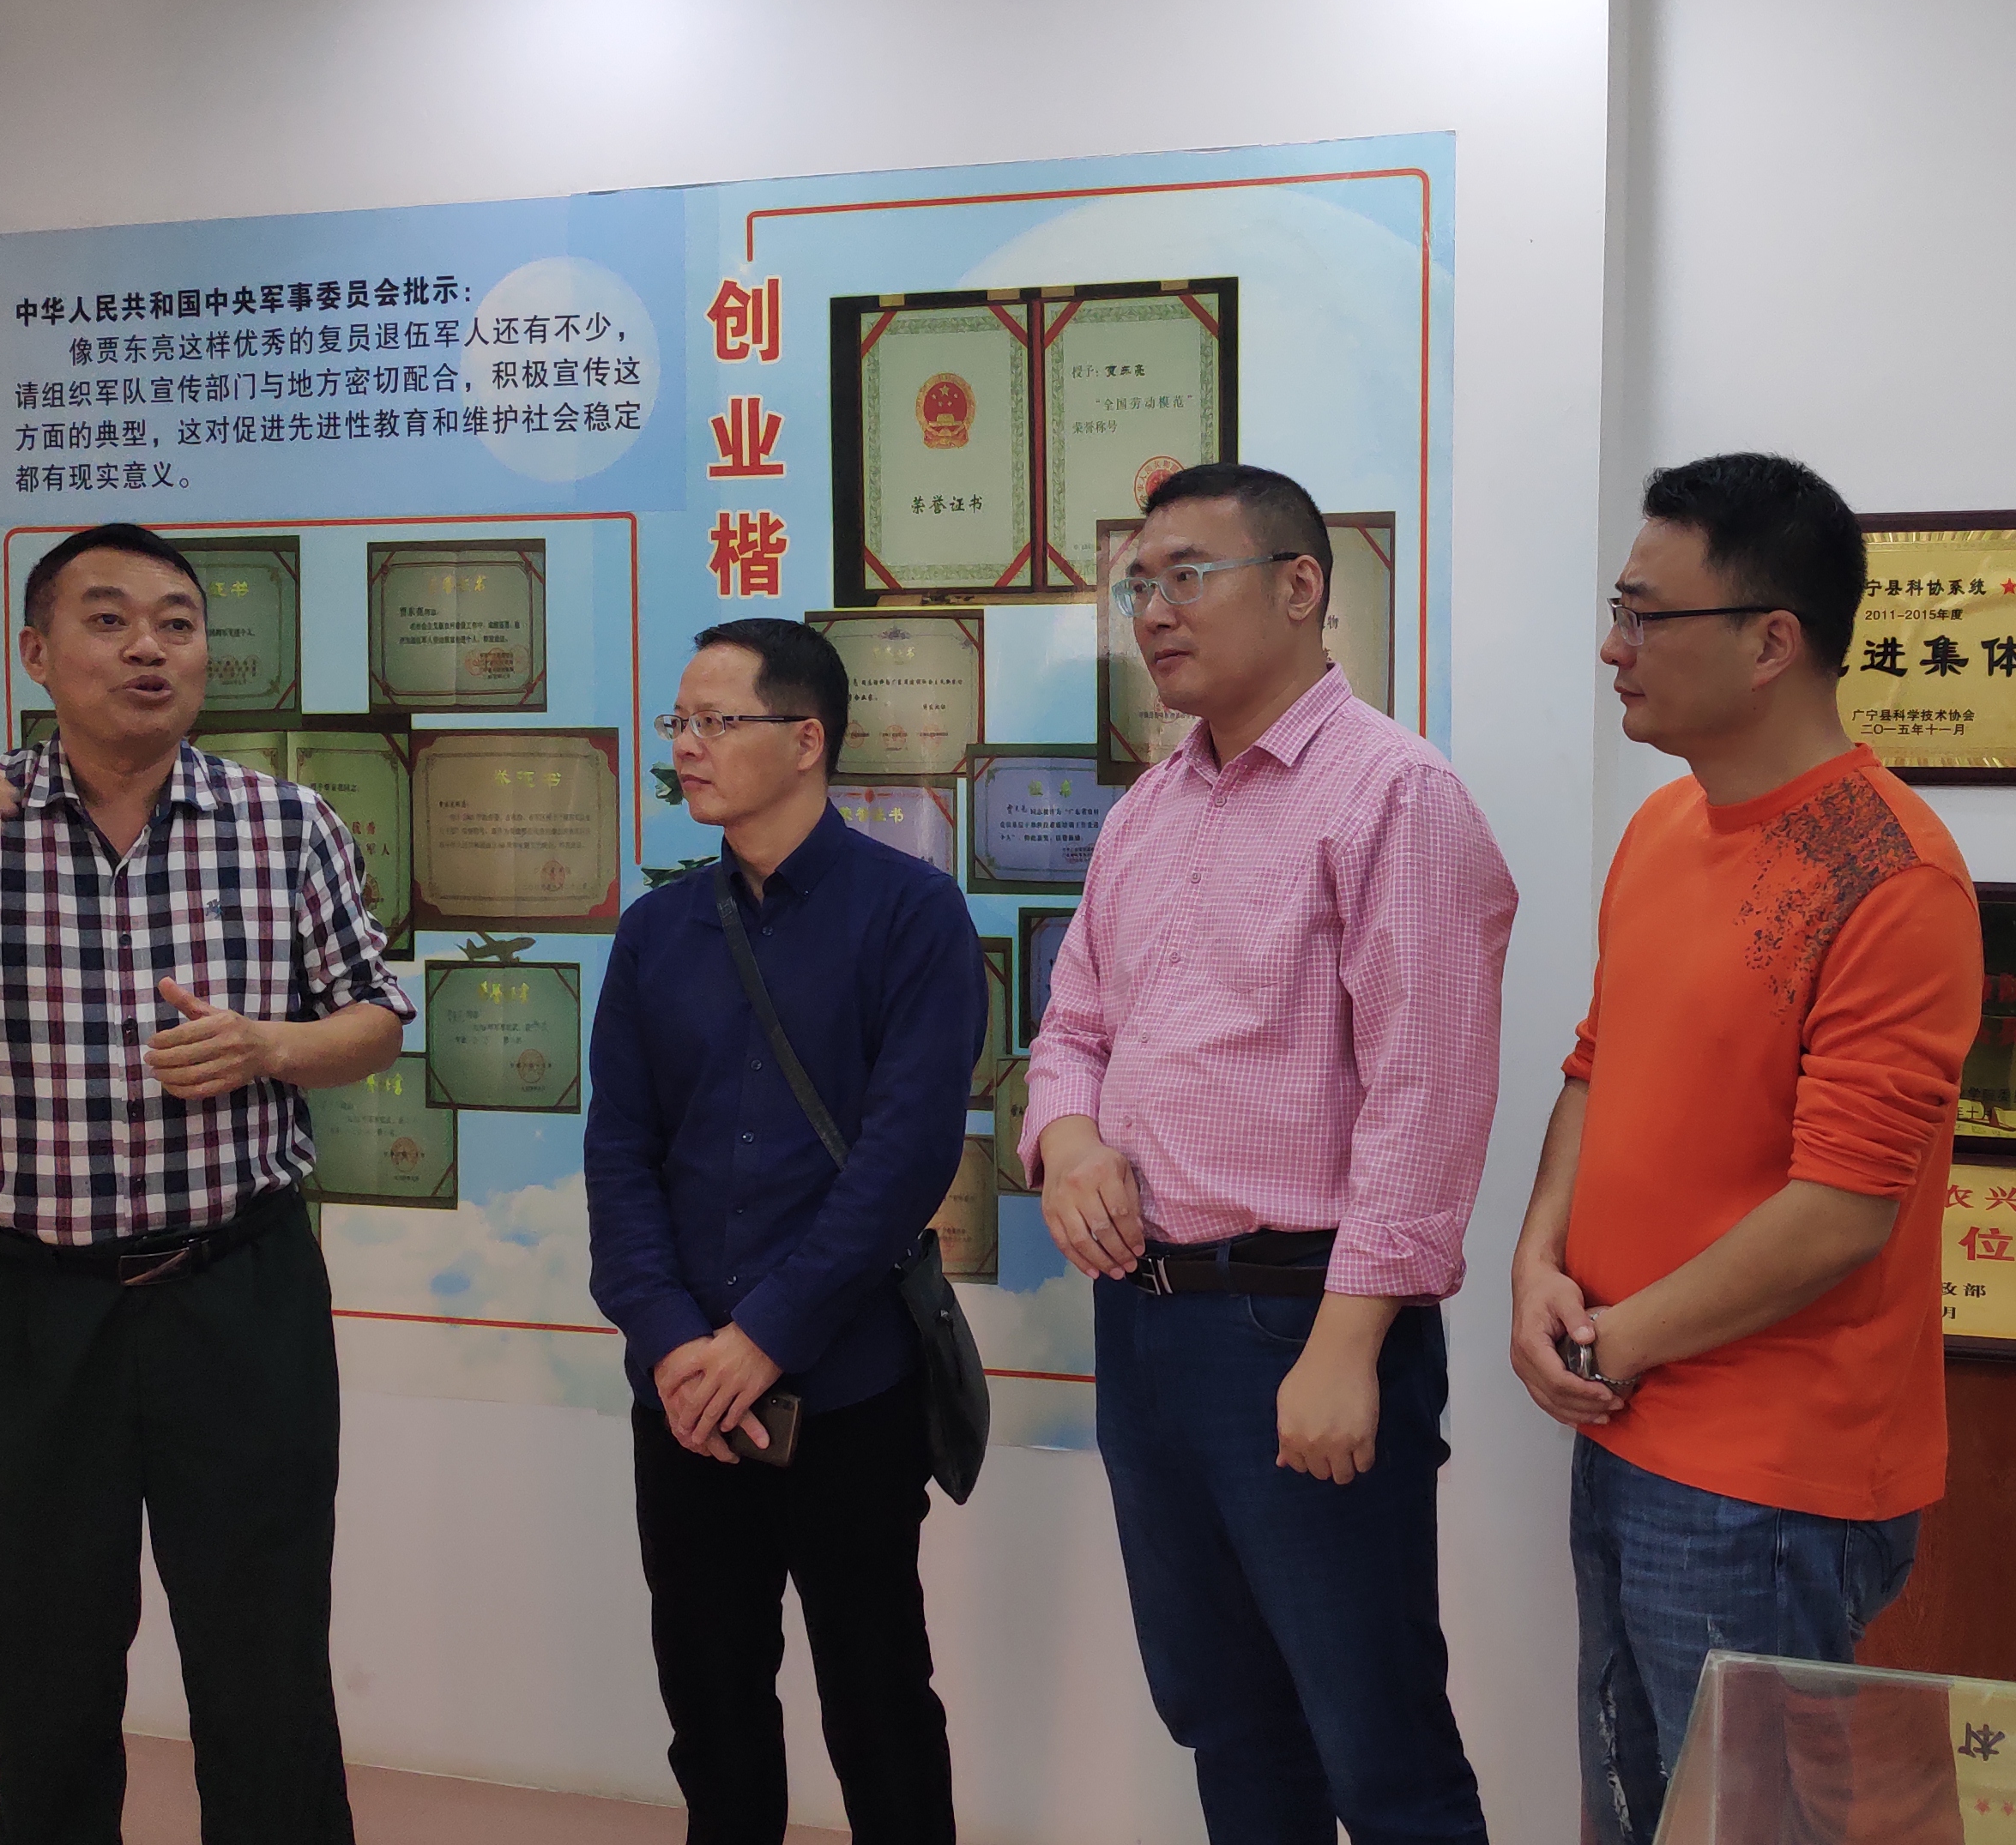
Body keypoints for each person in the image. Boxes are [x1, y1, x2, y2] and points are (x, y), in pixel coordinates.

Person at [0, 522, 412, 1845]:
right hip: (32, 1313)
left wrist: (267, 1047)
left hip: (240, 1294)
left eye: (178, 623)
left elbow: (372, 1020)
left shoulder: (281, 822)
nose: (150, 649)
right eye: (110, 619)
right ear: (37, 652)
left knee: (266, 1658)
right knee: (42, 1668)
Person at [1023, 461, 1517, 1845]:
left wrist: (1349, 1350)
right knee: (1226, 1720)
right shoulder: (1150, 809)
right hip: (1149, 1327)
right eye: (1138, 584)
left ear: (1302, 587)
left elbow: (1427, 1099)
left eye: (1189, 576)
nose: (1154, 611)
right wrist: (1071, 1138)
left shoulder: (1395, 795)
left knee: (1379, 1746)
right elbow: (1073, 1028)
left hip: (1300, 1323)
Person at [1507, 452, 1981, 1845]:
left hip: (1766, 1480)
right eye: (1618, 610)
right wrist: (1538, 1261)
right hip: (1624, 1415)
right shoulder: (1664, 825)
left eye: (1647, 616)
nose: (1615, 647)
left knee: (1750, 1825)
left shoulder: (1891, 874)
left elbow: (1843, 1210)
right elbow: (1597, 1064)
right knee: (1633, 1802)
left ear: (1772, 642)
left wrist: (1617, 1341)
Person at [586, 618, 975, 1845]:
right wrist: (672, 1342)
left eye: (717, 722)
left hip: (848, 1389)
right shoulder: (657, 931)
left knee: (878, 1701)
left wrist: (762, 1338)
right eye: (680, 722)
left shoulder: (913, 916)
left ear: (807, 741)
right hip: (685, 1400)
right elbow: (620, 1156)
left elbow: (903, 1166)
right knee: (710, 1710)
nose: (686, 747)